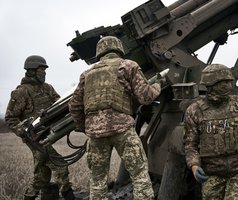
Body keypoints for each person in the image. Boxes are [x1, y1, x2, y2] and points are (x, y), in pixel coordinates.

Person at [69, 36, 164, 200]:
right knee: (139, 176)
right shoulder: (128, 66)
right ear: (119, 48)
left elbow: (74, 106)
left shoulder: (87, 74)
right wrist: (158, 85)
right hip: (123, 131)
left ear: (100, 52)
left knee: (98, 181)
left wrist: (86, 128)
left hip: (96, 135)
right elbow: (146, 97)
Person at [184, 64, 238, 199]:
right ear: (211, 83)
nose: (229, 86)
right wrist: (194, 165)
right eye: (224, 82)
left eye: (230, 82)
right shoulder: (194, 111)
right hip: (212, 172)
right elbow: (190, 144)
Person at [5, 55, 77, 200]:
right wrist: (24, 131)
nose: (43, 72)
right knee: (60, 165)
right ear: (31, 71)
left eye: (44, 70)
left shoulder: (47, 88)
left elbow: (60, 104)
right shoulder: (21, 92)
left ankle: (30, 197)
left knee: (42, 175)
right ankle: (69, 196)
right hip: (34, 138)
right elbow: (10, 118)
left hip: (47, 134)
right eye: (40, 69)